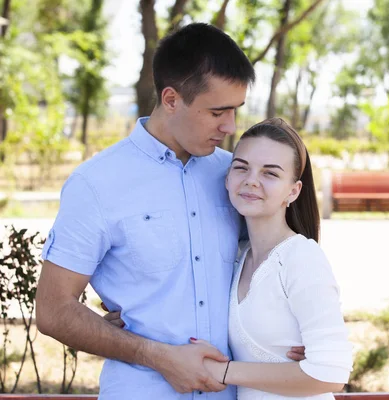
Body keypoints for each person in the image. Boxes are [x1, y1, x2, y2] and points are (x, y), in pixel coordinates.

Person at [34, 23, 303, 400]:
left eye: (236, 111)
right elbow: (52, 309)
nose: (230, 127)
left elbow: (278, 262)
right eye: (217, 112)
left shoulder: (237, 176)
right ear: (172, 99)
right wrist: (156, 356)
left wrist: (297, 329)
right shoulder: (96, 184)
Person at [203, 118, 353, 399]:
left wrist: (223, 372)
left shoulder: (300, 257)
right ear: (227, 177)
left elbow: (332, 372)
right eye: (241, 167)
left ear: (293, 191)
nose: (251, 180)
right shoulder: (234, 256)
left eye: (270, 173)